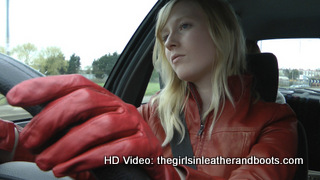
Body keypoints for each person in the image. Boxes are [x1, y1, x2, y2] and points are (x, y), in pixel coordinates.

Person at [0, 0, 298, 179]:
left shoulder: (276, 122)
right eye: (164, 35)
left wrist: (166, 173)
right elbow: (97, 164)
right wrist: (15, 143)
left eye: (184, 26)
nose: (169, 43)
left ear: (221, 32)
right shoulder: (151, 112)